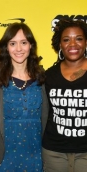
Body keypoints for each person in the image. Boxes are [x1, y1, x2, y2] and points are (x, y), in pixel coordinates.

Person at [0, 22, 47, 172]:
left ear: (31, 46)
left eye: (23, 43)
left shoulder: (42, 77)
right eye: (13, 43)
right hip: (4, 156)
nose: (18, 49)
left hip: (36, 155)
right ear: (6, 47)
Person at [42, 19, 87, 172]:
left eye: (79, 38)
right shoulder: (49, 76)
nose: (73, 44)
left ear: (86, 42)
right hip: (54, 152)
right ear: (59, 44)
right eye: (66, 40)